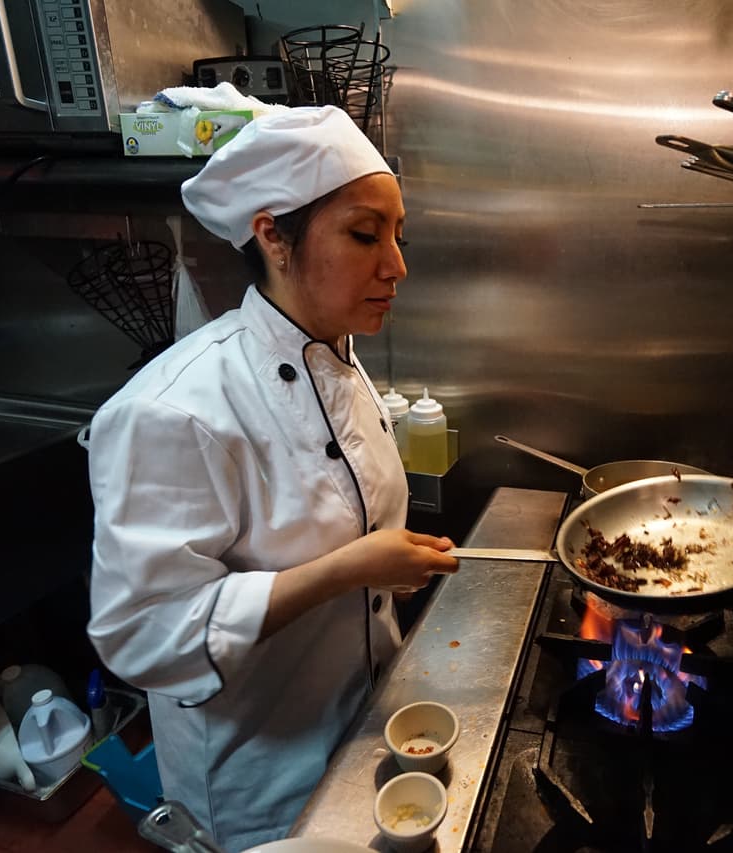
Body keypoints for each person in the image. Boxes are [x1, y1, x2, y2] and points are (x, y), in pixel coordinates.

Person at [85, 106, 459, 850]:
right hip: (262, 785)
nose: (397, 265)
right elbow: (140, 635)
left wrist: (386, 567)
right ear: (272, 235)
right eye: (364, 234)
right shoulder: (175, 409)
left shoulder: (342, 362)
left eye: (398, 235)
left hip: (362, 731)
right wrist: (346, 569)